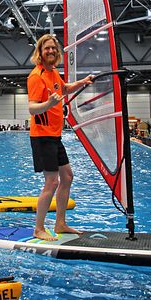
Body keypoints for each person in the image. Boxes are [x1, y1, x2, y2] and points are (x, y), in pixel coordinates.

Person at [27, 34, 93, 241]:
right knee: (52, 182)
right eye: (47, 48)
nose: (51, 51)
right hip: (42, 136)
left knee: (67, 177)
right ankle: (38, 228)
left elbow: (63, 89)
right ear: (40, 51)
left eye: (54, 49)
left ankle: (60, 223)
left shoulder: (54, 72)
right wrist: (48, 104)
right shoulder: (36, 76)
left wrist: (81, 82)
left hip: (55, 136)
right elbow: (32, 107)